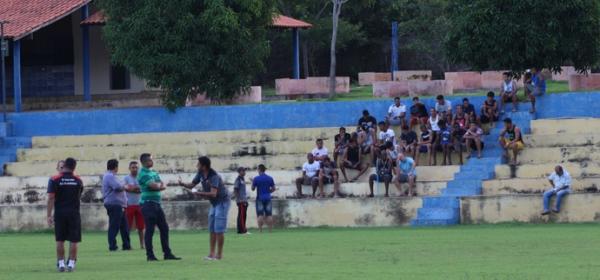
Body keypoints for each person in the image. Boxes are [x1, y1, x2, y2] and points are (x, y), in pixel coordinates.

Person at [180, 156, 230, 260]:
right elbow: (192, 185)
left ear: (204, 166)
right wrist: (183, 184)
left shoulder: (213, 176)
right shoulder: (200, 174)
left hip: (222, 202)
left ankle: (219, 255)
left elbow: (213, 193)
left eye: (198, 164)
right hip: (214, 203)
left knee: (219, 229)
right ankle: (211, 254)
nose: (196, 165)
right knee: (212, 228)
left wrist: (198, 193)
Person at [138, 153, 180, 261]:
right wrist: (159, 186)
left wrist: (159, 186)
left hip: (156, 204)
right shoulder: (143, 173)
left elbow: (161, 184)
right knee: (150, 229)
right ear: (145, 162)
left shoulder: (153, 172)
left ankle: (167, 253)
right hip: (147, 204)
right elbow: (155, 186)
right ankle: (150, 255)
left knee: (164, 228)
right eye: (150, 160)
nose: (152, 162)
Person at [47, 158, 83, 272]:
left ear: (65, 165)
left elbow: (51, 198)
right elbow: (79, 195)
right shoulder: (78, 180)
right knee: (74, 240)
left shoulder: (54, 179)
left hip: (60, 213)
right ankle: (71, 264)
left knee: (60, 240)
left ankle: (61, 263)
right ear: (74, 167)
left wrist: (49, 215)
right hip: (74, 213)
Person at [102, 159, 131, 251]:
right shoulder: (109, 176)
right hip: (114, 204)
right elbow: (117, 187)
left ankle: (126, 245)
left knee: (124, 226)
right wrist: (125, 186)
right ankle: (113, 246)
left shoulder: (111, 176)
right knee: (114, 226)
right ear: (116, 167)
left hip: (119, 204)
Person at [124, 161, 144, 249]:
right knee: (127, 226)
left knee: (141, 227)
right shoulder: (126, 178)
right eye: (133, 167)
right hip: (129, 204)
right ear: (129, 168)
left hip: (140, 204)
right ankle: (128, 245)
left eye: (136, 167)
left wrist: (132, 188)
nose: (135, 169)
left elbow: (143, 189)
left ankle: (142, 245)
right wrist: (136, 188)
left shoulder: (141, 178)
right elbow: (126, 188)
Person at [251, 164, 276, 233]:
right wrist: (268, 191)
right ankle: (270, 230)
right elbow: (274, 189)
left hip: (260, 198)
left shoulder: (256, 178)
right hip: (268, 198)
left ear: (259, 169)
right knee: (269, 214)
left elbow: (252, 189)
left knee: (260, 214)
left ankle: (260, 230)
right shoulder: (270, 178)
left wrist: (252, 183)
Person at [233, 167, 249, 234]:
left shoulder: (243, 179)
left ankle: (241, 230)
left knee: (243, 215)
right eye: (243, 171)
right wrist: (238, 199)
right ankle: (242, 231)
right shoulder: (238, 179)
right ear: (239, 172)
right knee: (242, 216)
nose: (244, 172)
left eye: (245, 171)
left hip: (244, 200)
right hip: (241, 201)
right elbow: (235, 189)